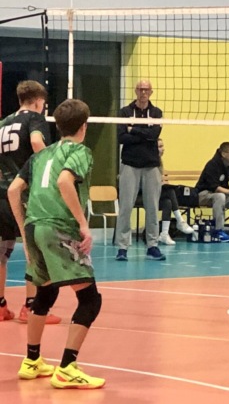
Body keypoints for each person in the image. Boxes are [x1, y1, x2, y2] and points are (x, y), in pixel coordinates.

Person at [8, 98, 105, 388]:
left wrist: (25, 234)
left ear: (58, 126)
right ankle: (67, 368)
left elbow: (14, 190)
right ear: (84, 126)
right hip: (59, 227)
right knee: (90, 299)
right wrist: (84, 224)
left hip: (34, 226)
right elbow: (64, 182)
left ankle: (32, 360)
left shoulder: (41, 155)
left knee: (45, 293)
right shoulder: (80, 151)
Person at [0, 81, 60, 325]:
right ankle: (31, 307)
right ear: (38, 101)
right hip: (25, 194)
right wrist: (50, 170)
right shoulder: (35, 118)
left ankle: (1, 306)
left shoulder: (3, 123)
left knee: (2, 251)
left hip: (2, 194)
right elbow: (36, 142)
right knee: (33, 250)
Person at [114, 79, 165, 262]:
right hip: (130, 164)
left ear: (151, 92)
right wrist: (143, 134)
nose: (143, 92)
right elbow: (121, 138)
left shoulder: (157, 112)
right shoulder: (125, 112)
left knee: (152, 207)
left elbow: (154, 135)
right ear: (135, 91)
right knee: (126, 207)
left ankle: (152, 246)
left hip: (151, 165)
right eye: (140, 89)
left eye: (146, 89)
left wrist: (133, 129)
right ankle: (122, 247)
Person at [157, 139, 194, 245]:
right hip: (143, 194)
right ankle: (180, 221)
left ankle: (164, 234)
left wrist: (163, 182)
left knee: (168, 202)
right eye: (159, 146)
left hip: (156, 193)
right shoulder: (148, 163)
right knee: (170, 191)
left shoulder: (159, 162)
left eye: (163, 146)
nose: (163, 149)